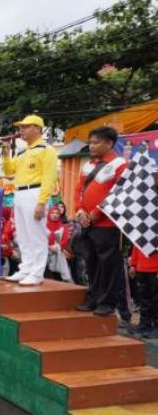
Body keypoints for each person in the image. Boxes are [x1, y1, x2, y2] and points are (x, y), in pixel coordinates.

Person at [74, 127, 128, 316]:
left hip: (107, 225)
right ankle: (92, 299)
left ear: (109, 143)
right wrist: (80, 210)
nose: (91, 146)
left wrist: (97, 213)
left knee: (108, 265)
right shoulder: (88, 165)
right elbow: (79, 190)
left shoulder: (120, 164)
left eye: (96, 142)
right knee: (91, 262)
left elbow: (120, 194)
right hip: (87, 223)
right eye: (91, 142)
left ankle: (106, 303)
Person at [2, 114, 59, 286]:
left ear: (37, 128)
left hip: (35, 192)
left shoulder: (46, 150)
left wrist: (42, 202)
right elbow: (9, 171)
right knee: (22, 235)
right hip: (19, 194)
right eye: (20, 127)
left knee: (37, 235)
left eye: (25, 127)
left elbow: (50, 177)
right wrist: (6, 154)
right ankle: (26, 268)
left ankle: (37, 272)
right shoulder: (22, 152)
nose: (21, 130)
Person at [129, 246, 158, 338]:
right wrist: (133, 264)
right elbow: (137, 244)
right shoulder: (141, 231)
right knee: (144, 298)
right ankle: (145, 323)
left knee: (156, 299)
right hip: (142, 268)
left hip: (155, 269)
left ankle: (156, 325)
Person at [45, 207, 74, 283]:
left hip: (58, 254)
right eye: (53, 213)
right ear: (49, 214)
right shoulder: (43, 226)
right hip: (44, 254)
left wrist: (56, 247)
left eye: (57, 213)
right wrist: (48, 247)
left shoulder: (63, 227)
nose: (55, 215)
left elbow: (65, 240)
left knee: (58, 278)